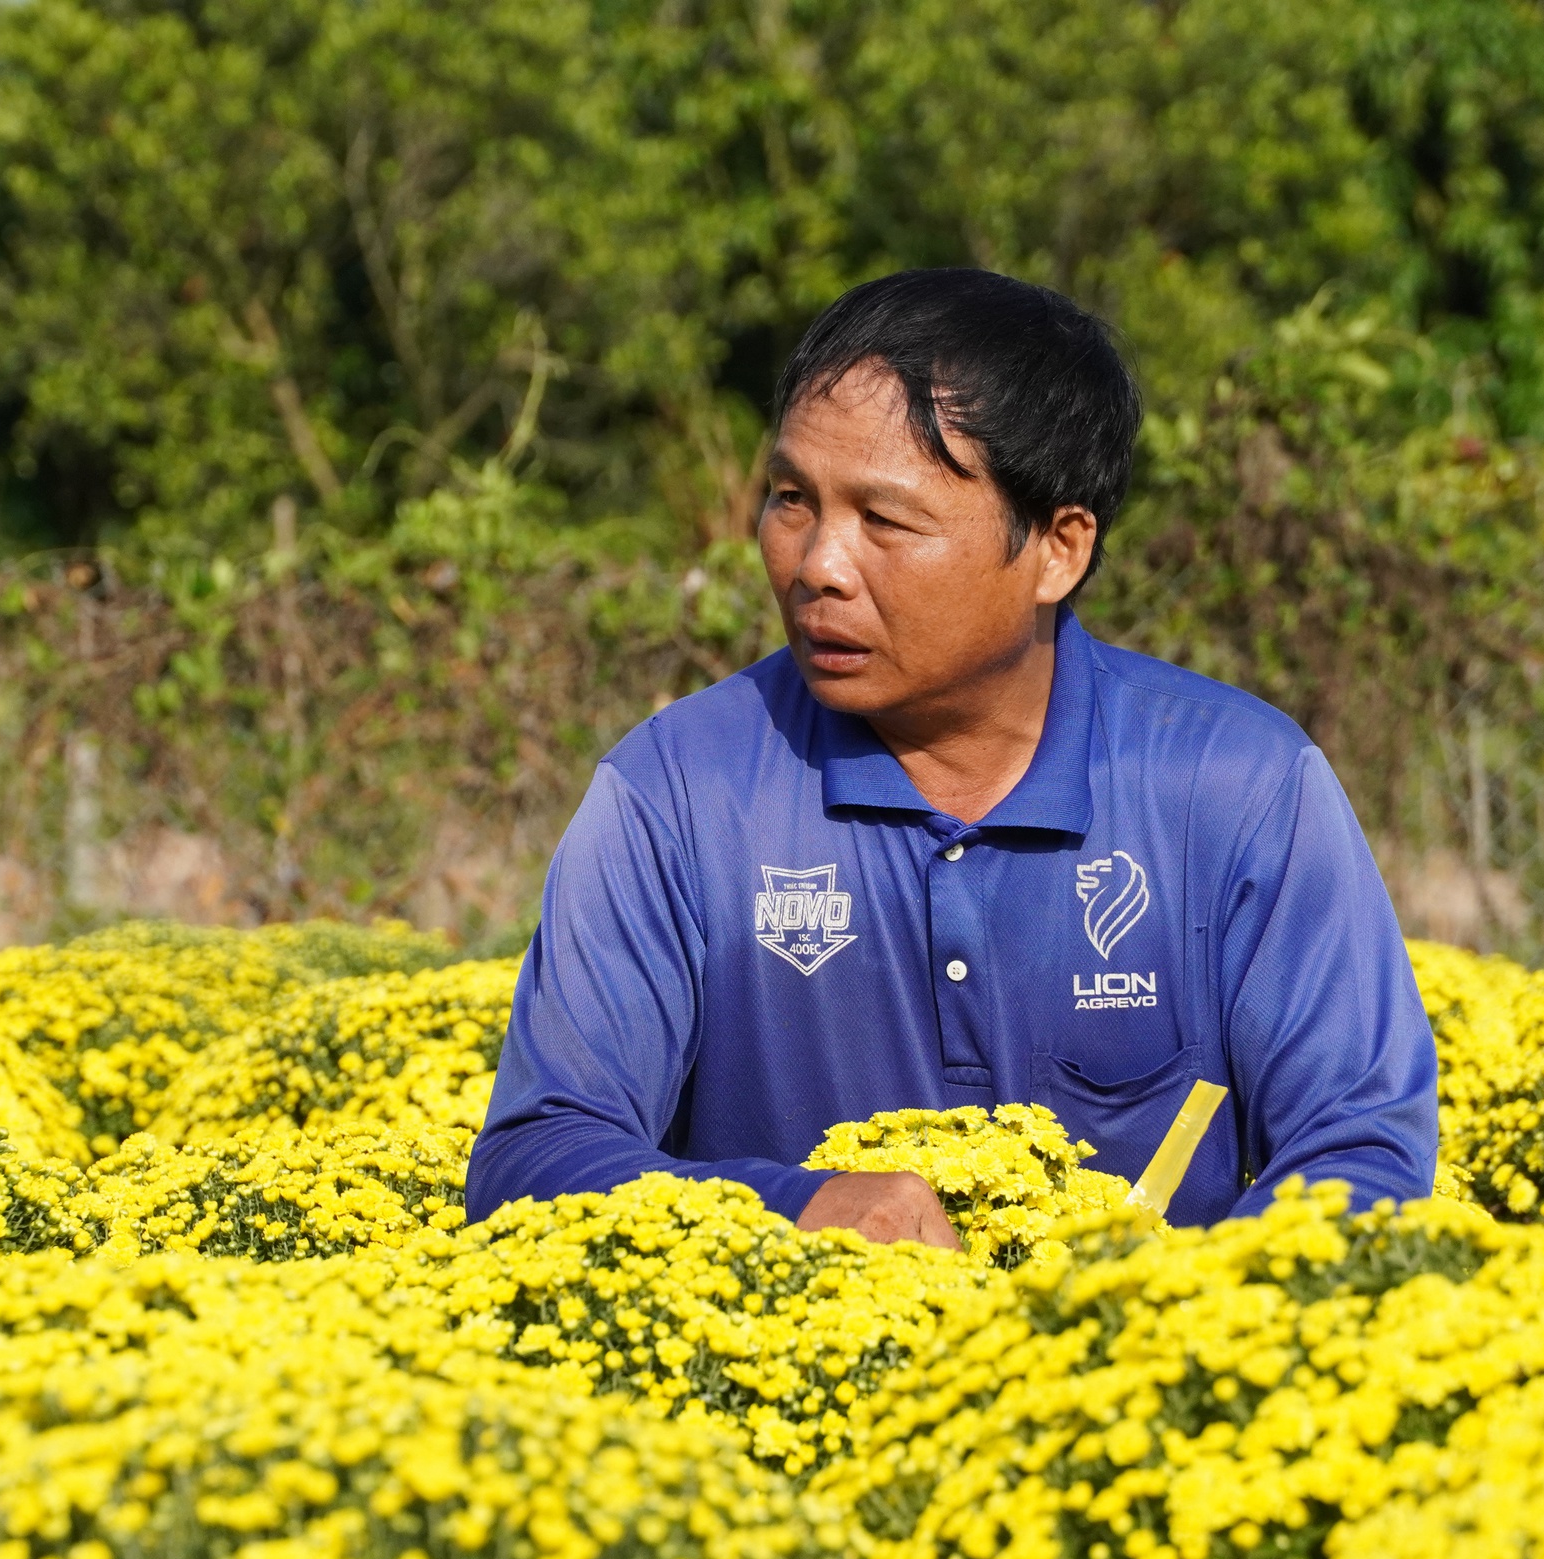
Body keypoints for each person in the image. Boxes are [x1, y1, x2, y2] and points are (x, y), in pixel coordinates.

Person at [465, 268, 1437, 1248]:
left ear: (1058, 548)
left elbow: (1360, 1151)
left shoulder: (1236, 792)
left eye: (884, 521)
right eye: (791, 499)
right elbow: (535, 1157)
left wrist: (1163, 1320)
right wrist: (794, 1208)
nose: (816, 566)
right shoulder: (678, 795)